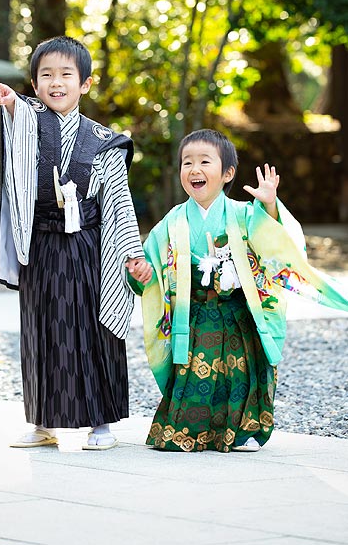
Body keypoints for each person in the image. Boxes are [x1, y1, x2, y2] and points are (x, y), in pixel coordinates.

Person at [127, 128, 348, 453]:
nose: (194, 169)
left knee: (240, 375)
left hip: (237, 313)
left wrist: (270, 207)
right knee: (193, 377)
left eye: (205, 161)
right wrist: (141, 273)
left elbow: (280, 244)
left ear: (227, 172)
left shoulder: (246, 214)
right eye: (187, 162)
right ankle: (189, 432)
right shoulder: (173, 221)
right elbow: (150, 266)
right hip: (195, 316)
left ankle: (242, 433)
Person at [0, 35, 152, 450]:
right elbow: (19, 113)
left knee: (92, 330)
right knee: (40, 330)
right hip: (41, 243)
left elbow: (119, 200)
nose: (56, 82)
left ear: (85, 84)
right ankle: (44, 421)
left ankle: (101, 424)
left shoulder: (104, 140)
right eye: (46, 75)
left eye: (66, 74)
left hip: (88, 247)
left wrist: (132, 252)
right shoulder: (30, 121)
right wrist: (9, 102)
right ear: (35, 83)